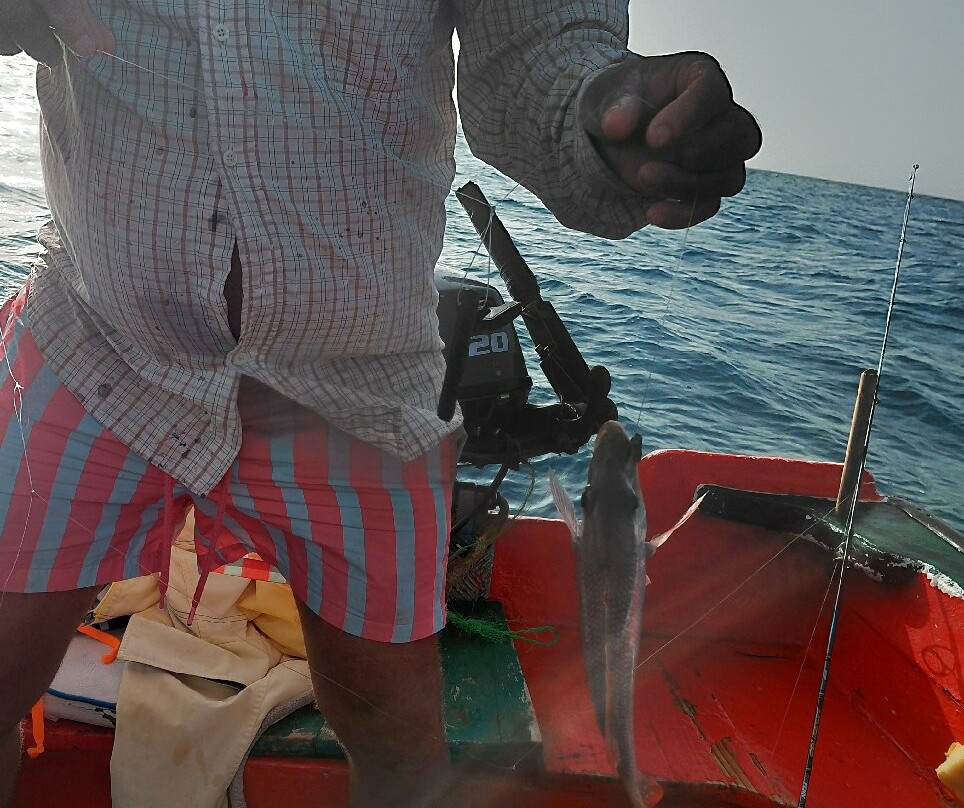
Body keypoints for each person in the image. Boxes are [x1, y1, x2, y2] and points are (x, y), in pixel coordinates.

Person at [0, 1, 761, 806]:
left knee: (400, 747)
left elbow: (537, 46)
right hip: (95, 343)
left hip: (358, 386)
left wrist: (595, 115)